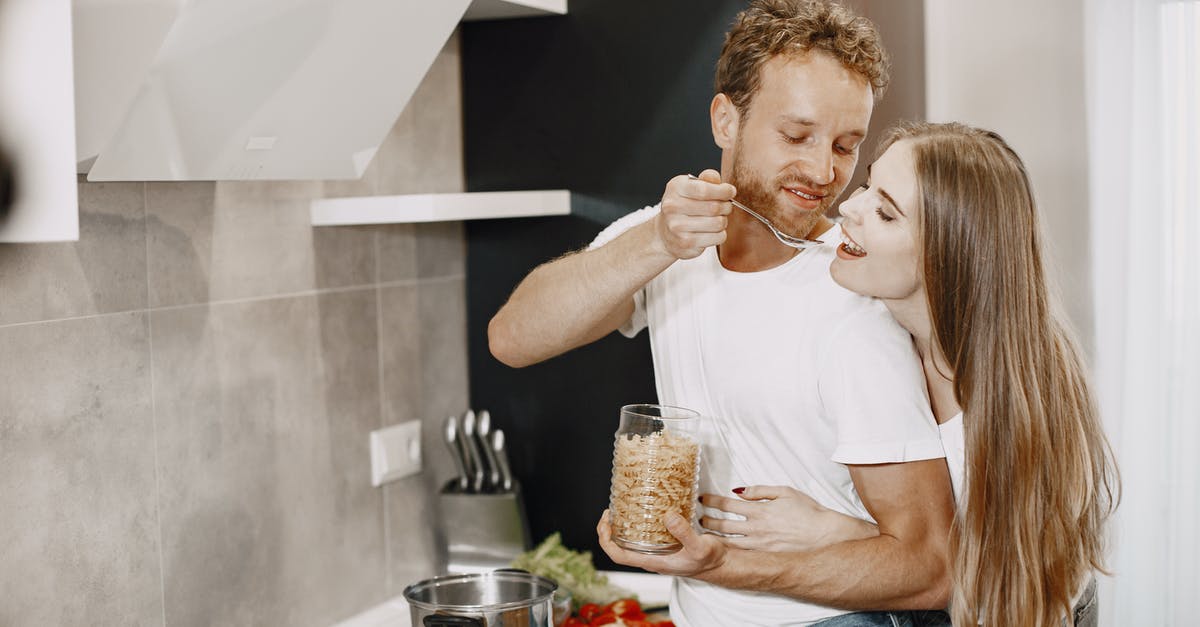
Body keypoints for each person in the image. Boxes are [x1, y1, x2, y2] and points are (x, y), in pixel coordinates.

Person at [490, 1, 957, 624]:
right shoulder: (665, 243)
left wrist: (723, 566)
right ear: (725, 121)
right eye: (797, 135)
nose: (823, 172)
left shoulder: (854, 296)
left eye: (846, 146)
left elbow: (930, 565)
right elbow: (512, 338)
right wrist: (653, 241)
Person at [603, 122, 1120, 626]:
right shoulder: (904, 343)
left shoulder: (1019, 395)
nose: (848, 205)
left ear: (948, 253)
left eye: (887, 213)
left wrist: (836, 532)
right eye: (870, 184)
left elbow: (1003, 587)